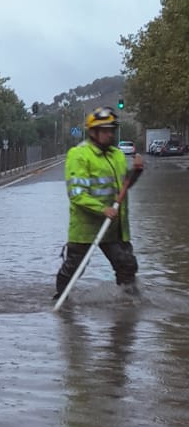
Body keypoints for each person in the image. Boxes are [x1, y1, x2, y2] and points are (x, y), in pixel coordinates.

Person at [54, 108, 143, 299]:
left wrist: (135, 173)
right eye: (104, 130)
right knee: (74, 269)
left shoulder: (117, 155)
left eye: (111, 130)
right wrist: (103, 209)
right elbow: (77, 194)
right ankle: (62, 298)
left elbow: (124, 187)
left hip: (115, 228)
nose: (109, 134)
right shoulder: (79, 155)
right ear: (93, 132)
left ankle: (128, 303)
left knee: (127, 264)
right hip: (86, 228)